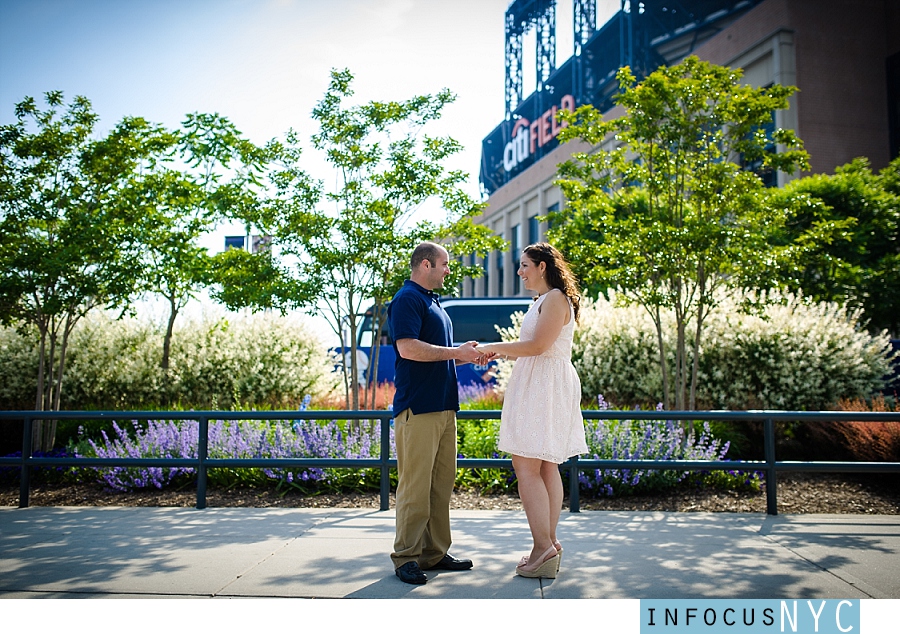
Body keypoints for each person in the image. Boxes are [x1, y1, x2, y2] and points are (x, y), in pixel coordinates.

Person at [476, 242, 587, 579]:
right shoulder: (545, 300)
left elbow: (538, 347)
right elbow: (534, 346)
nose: (520, 272)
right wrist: (501, 353)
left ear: (542, 266)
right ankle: (549, 542)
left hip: (545, 385)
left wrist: (492, 347)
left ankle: (543, 546)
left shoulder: (553, 298)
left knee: (526, 465)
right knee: (545, 466)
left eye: (525, 265)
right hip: (543, 383)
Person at [388, 241, 490, 585]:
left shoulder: (434, 303)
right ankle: (406, 557)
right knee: (415, 488)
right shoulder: (407, 299)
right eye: (445, 264)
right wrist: (454, 351)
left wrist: (469, 355)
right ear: (426, 264)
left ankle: (433, 553)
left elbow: (439, 355)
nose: (449, 270)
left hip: (445, 409)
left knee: (440, 487)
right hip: (418, 409)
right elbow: (409, 348)